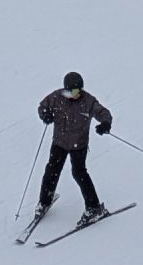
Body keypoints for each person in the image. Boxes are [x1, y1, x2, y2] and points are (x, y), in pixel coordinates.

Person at [36, 72, 111, 220]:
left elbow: (103, 112)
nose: (75, 94)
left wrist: (105, 123)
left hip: (79, 145)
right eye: (71, 92)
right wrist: (45, 115)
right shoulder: (57, 97)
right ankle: (45, 201)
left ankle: (94, 207)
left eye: (78, 91)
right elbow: (42, 106)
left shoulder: (88, 101)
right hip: (59, 143)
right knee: (51, 170)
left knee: (79, 173)